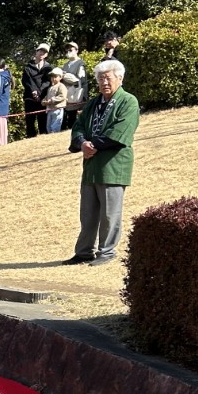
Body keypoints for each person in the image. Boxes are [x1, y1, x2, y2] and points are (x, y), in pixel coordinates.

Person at [66, 58, 139, 266]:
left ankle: (106, 251)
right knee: (88, 213)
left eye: (108, 78)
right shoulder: (93, 103)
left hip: (113, 165)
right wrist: (81, 143)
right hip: (91, 166)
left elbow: (121, 131)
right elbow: (78, 126)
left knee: (110, 213)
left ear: (120, 78)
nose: (104, 83)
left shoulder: (128, 101)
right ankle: (83, 252)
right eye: (100, 79)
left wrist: (93, 145)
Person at [22, 44, 52, 137]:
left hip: (43, 98)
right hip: (29, 98)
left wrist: (39, 92)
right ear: (36, 52)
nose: (42, 53)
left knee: (42, 121)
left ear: (46, 54)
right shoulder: (28, 66)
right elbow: (26, 80)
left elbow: (48, 81)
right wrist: (33, 91)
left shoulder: (49, 67)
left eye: (45, 52)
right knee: (30, 121)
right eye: (40, 51)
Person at [60, 44, 88, 127]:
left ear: (76, 50)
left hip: (77, 95)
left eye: (70, 50)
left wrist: (84, 99)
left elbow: (82, 81)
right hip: (66, 96)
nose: (68, 52)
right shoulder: (65, 65)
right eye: (67, 50)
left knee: (75, 121)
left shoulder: (80, 63)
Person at [43, 69, 67, 134]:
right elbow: (47, 97)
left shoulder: (61, 86)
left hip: (57, 109)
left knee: (55, 126)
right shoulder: (50, 88)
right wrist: (44, 101)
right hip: (49, 109)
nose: (53, 78)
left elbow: (62, 96)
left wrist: (52, 100)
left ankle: (54, 137)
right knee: (48, 126)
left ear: (60, 77)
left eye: (55, 77)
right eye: (52, 77)